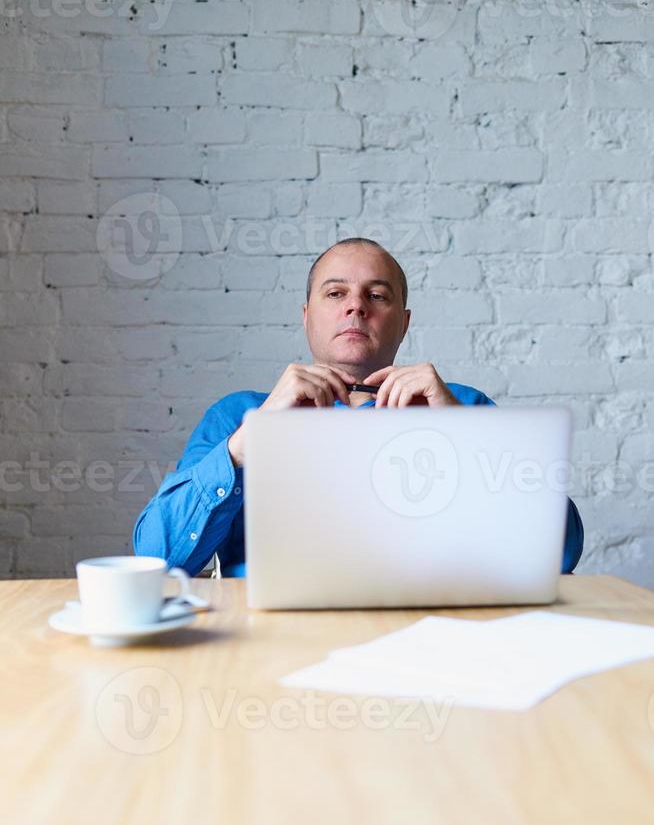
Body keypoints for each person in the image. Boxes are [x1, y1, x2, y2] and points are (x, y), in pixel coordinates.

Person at [133, 238, 584, 577]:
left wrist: (463, 436)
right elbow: (157, 558)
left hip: (433, 635)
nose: (355, 307)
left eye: (377, 295)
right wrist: (247, 445)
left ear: (403, 322)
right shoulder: (238, 417)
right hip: (270, 641)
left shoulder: (462, 407)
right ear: (306, 315)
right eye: (335, 294)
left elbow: (558, 552)